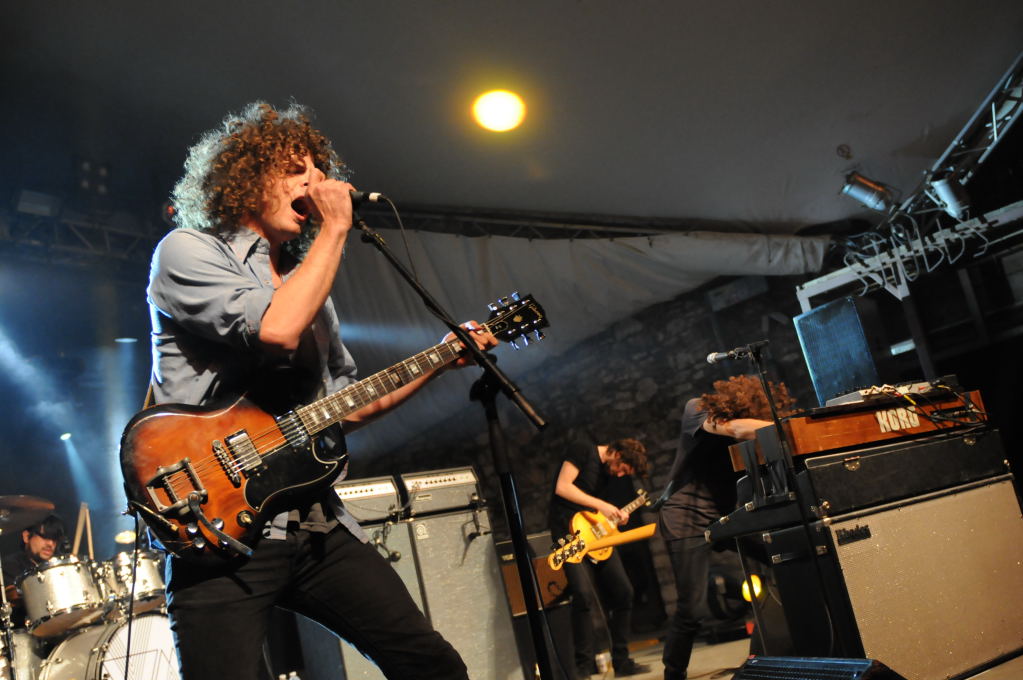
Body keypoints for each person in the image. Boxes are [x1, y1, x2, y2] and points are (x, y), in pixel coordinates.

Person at [147, 101, 498, 680]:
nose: (315, 183)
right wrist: (335, 227)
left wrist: (439, 361)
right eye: (295, 170)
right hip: (217, 530)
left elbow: (344, 407)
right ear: (245, 178)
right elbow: (276, 330)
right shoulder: (188, 250)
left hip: (313, 525)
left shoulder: (308, 287)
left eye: (318, 171)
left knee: (432, 665)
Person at [655, 375, 795, 680]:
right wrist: (786, 427)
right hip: (686, 516)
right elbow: (736, 428)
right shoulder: (697, 409)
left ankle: (772, 649)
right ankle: (673, 674)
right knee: (692, 609)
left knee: (782, 557)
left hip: (723, 516)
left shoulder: (752, 428)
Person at [548, 438, 652, 678]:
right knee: (583, 596)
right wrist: (604, 506)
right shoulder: (582, 449)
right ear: (617, 453)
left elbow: (594, 511)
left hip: (595, 534)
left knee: (624, 592)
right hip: (568, 535)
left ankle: (621, 661)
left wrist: (613, 519)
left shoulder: (607, 474)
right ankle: (583, 668)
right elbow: (562, 487)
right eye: (621, 468)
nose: (619, 474)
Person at [1, 515, 66, 628]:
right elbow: (14, 596)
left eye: (54, 539)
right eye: (45, 537)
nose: (50, 544)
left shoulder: (58, 568)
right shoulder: (10, 566)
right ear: (26, 537)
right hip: (24, 631)